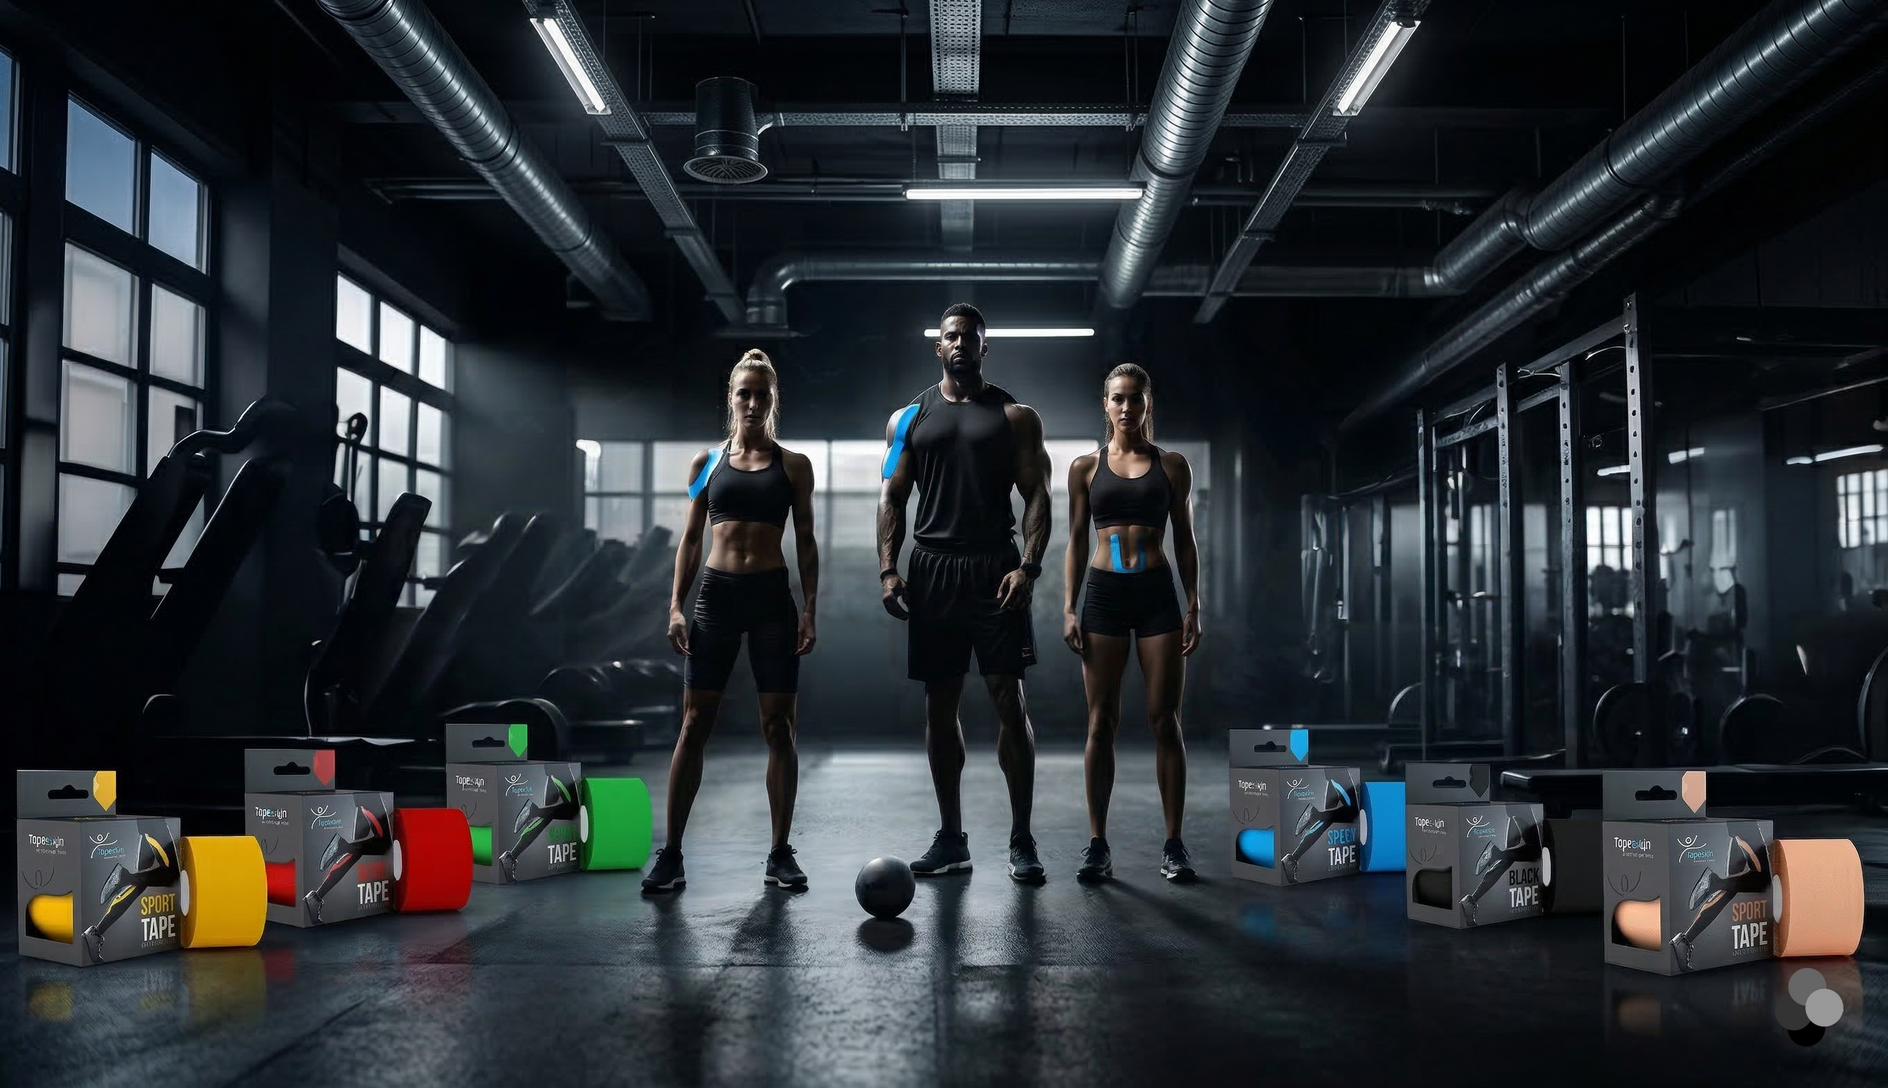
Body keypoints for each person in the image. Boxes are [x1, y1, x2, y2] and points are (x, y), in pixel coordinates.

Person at [879, 303, 1053, 883]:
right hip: (932, 570)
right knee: (940, 703)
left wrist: (1028, 567)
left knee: (1009, 699)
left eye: (970, 337)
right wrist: (888, 568)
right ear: (938, 346)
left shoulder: (1015, 416)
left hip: (994, 569)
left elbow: (1037, 496)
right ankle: (952, 838)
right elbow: (891, 497)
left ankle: (1022, 838)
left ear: (985, 346)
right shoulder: (908, 418)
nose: (959, 344)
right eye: (950, 336)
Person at [644, 349, 819, 893]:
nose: (751, 402)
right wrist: (676, 604)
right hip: (716, 598)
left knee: (778, 728)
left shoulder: (793, 466)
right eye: (743, 392)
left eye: (761, 394)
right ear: (731, 398)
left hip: (771, 598)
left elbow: (807, 541)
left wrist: (810, 606)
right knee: (694, 725)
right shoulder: (707, 465)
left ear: (772, 402)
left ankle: (779, 853)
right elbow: (691, 539)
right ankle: (671, 855)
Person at [1062, 363, 1201, 883]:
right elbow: (1076, 540)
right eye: (1118, 398)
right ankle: (1097, 844)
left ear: (1147, 404)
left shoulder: (1173, 465)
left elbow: (1184, 538)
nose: (1127, 407)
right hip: (1103, 595)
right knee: (1102, 722)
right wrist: (1069, 606)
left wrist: (1194, 603)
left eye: (1136, 399)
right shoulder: (1083, 467)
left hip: (1156, 596)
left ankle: (1174, 844)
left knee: (1165, 720)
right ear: (1106, 404)